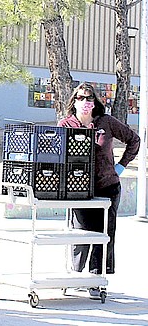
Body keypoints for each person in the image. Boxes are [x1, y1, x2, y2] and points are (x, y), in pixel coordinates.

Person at [58, 83, 139, 296]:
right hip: (78, 190)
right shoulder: (66, 124)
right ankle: (76, 274)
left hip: (107, 187)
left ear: (95, 103)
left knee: (104, 234)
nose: (86, 102)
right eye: (81, 98)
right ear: (74, 101)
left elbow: (134, 140)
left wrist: (120, 166)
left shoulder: (106, 123)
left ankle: (96, 279)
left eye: (89, 98)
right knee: (81, 232)